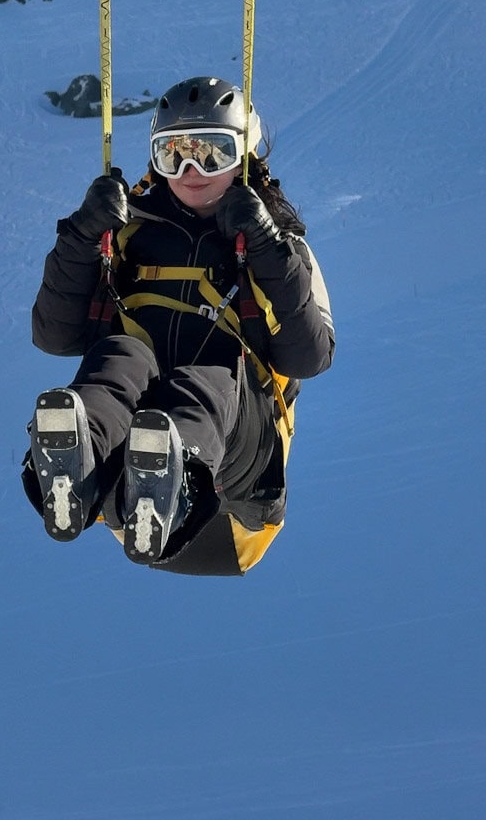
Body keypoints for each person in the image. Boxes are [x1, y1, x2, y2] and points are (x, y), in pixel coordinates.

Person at [22, 76, 335, 575]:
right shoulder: (128, 229)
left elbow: (309, 356)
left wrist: (266, 242)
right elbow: (54, 335)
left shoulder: (282, 247)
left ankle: (172, 473)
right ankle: (81, 464)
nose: (192, 170)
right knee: (120, 356)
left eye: (212, 152)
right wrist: (84, 234)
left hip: (235, 487)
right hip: (125, 490)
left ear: (245, 156)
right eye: (174, 154)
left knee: (209, 375)